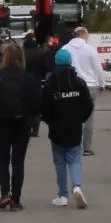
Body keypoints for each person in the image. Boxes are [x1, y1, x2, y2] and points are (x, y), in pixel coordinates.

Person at [0, 42, 40, 211]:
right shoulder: (28, 78)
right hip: (22, 124)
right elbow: (36, 103)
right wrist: (31, 118)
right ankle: (16, 198)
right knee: (18, 162)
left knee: (3, 159)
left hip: (1, 123)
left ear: (5, 57)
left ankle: (5, 192)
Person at [42, 48, 94, 208]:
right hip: (74, 127)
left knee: (59, 162)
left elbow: (43, 107)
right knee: (75, 159)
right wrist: (80, 119)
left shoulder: (50, 84)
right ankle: (76, 186)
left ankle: (62, 195)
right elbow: (88, 105)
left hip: (56, 128)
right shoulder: (79, 83)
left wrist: (50, 121)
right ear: (71, 62)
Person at [63, 27, 104, 156]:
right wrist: (102, 83)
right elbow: (98, 68)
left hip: (70, 85)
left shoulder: (65, 49)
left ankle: (72, 145)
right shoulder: (90, 49)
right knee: (88, 117)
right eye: (87, 35)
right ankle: (86, 148)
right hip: (89, 86)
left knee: (71, 116)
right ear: (83, 35)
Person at [21, 35, 48, 138]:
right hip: (37, 80)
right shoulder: (41, 52)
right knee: (36, 104)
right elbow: (44, 67)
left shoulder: (22, 52)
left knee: (25, 104)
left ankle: (26, 127)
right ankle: (35, 129)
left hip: (24, 80)